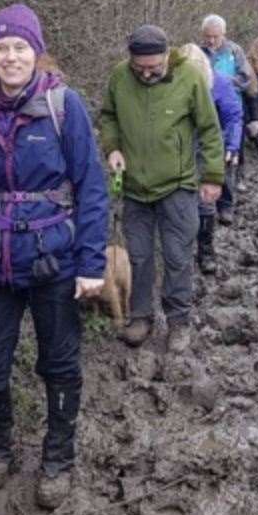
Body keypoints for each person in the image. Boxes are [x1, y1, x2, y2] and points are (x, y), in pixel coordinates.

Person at [0, 3, 108, 510]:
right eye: (1, 48)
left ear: (37, 52)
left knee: (59, 363)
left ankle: (58, 457)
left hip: (55, 257)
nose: (10, 57)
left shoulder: (63, 107)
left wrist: (93, 264)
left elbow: (91, 186)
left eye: (20, 47)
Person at [101, 24, 224, 349]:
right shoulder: (119, 78)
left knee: (177, 256)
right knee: (139, 257)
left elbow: (210, 130)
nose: (145, 74)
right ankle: (140, 317)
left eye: (153, 67)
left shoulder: (190, 79)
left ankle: (179, 322)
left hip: (178, 185)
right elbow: (108, 116)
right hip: (134, 188)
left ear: (167, 57)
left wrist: (212, 177)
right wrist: (112, 147)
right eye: (138, 67)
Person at [180, 44, 241, 276]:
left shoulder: (220, 84)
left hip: (208, 148)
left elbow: (233, 116)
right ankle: (180, 253)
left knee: (205, 202)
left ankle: (206, 251)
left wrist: (233, 145)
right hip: (179, 150)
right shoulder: (170, 87)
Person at [199, 14, 253, 226]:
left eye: (215, 36)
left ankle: (226, 205)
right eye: (207, 36)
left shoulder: (235, 51)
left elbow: (246, 78)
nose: (211, 41)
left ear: (223, 34)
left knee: (228, 160)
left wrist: (221, 81)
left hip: (230, 110)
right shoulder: (198, 53)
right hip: (204, 109)